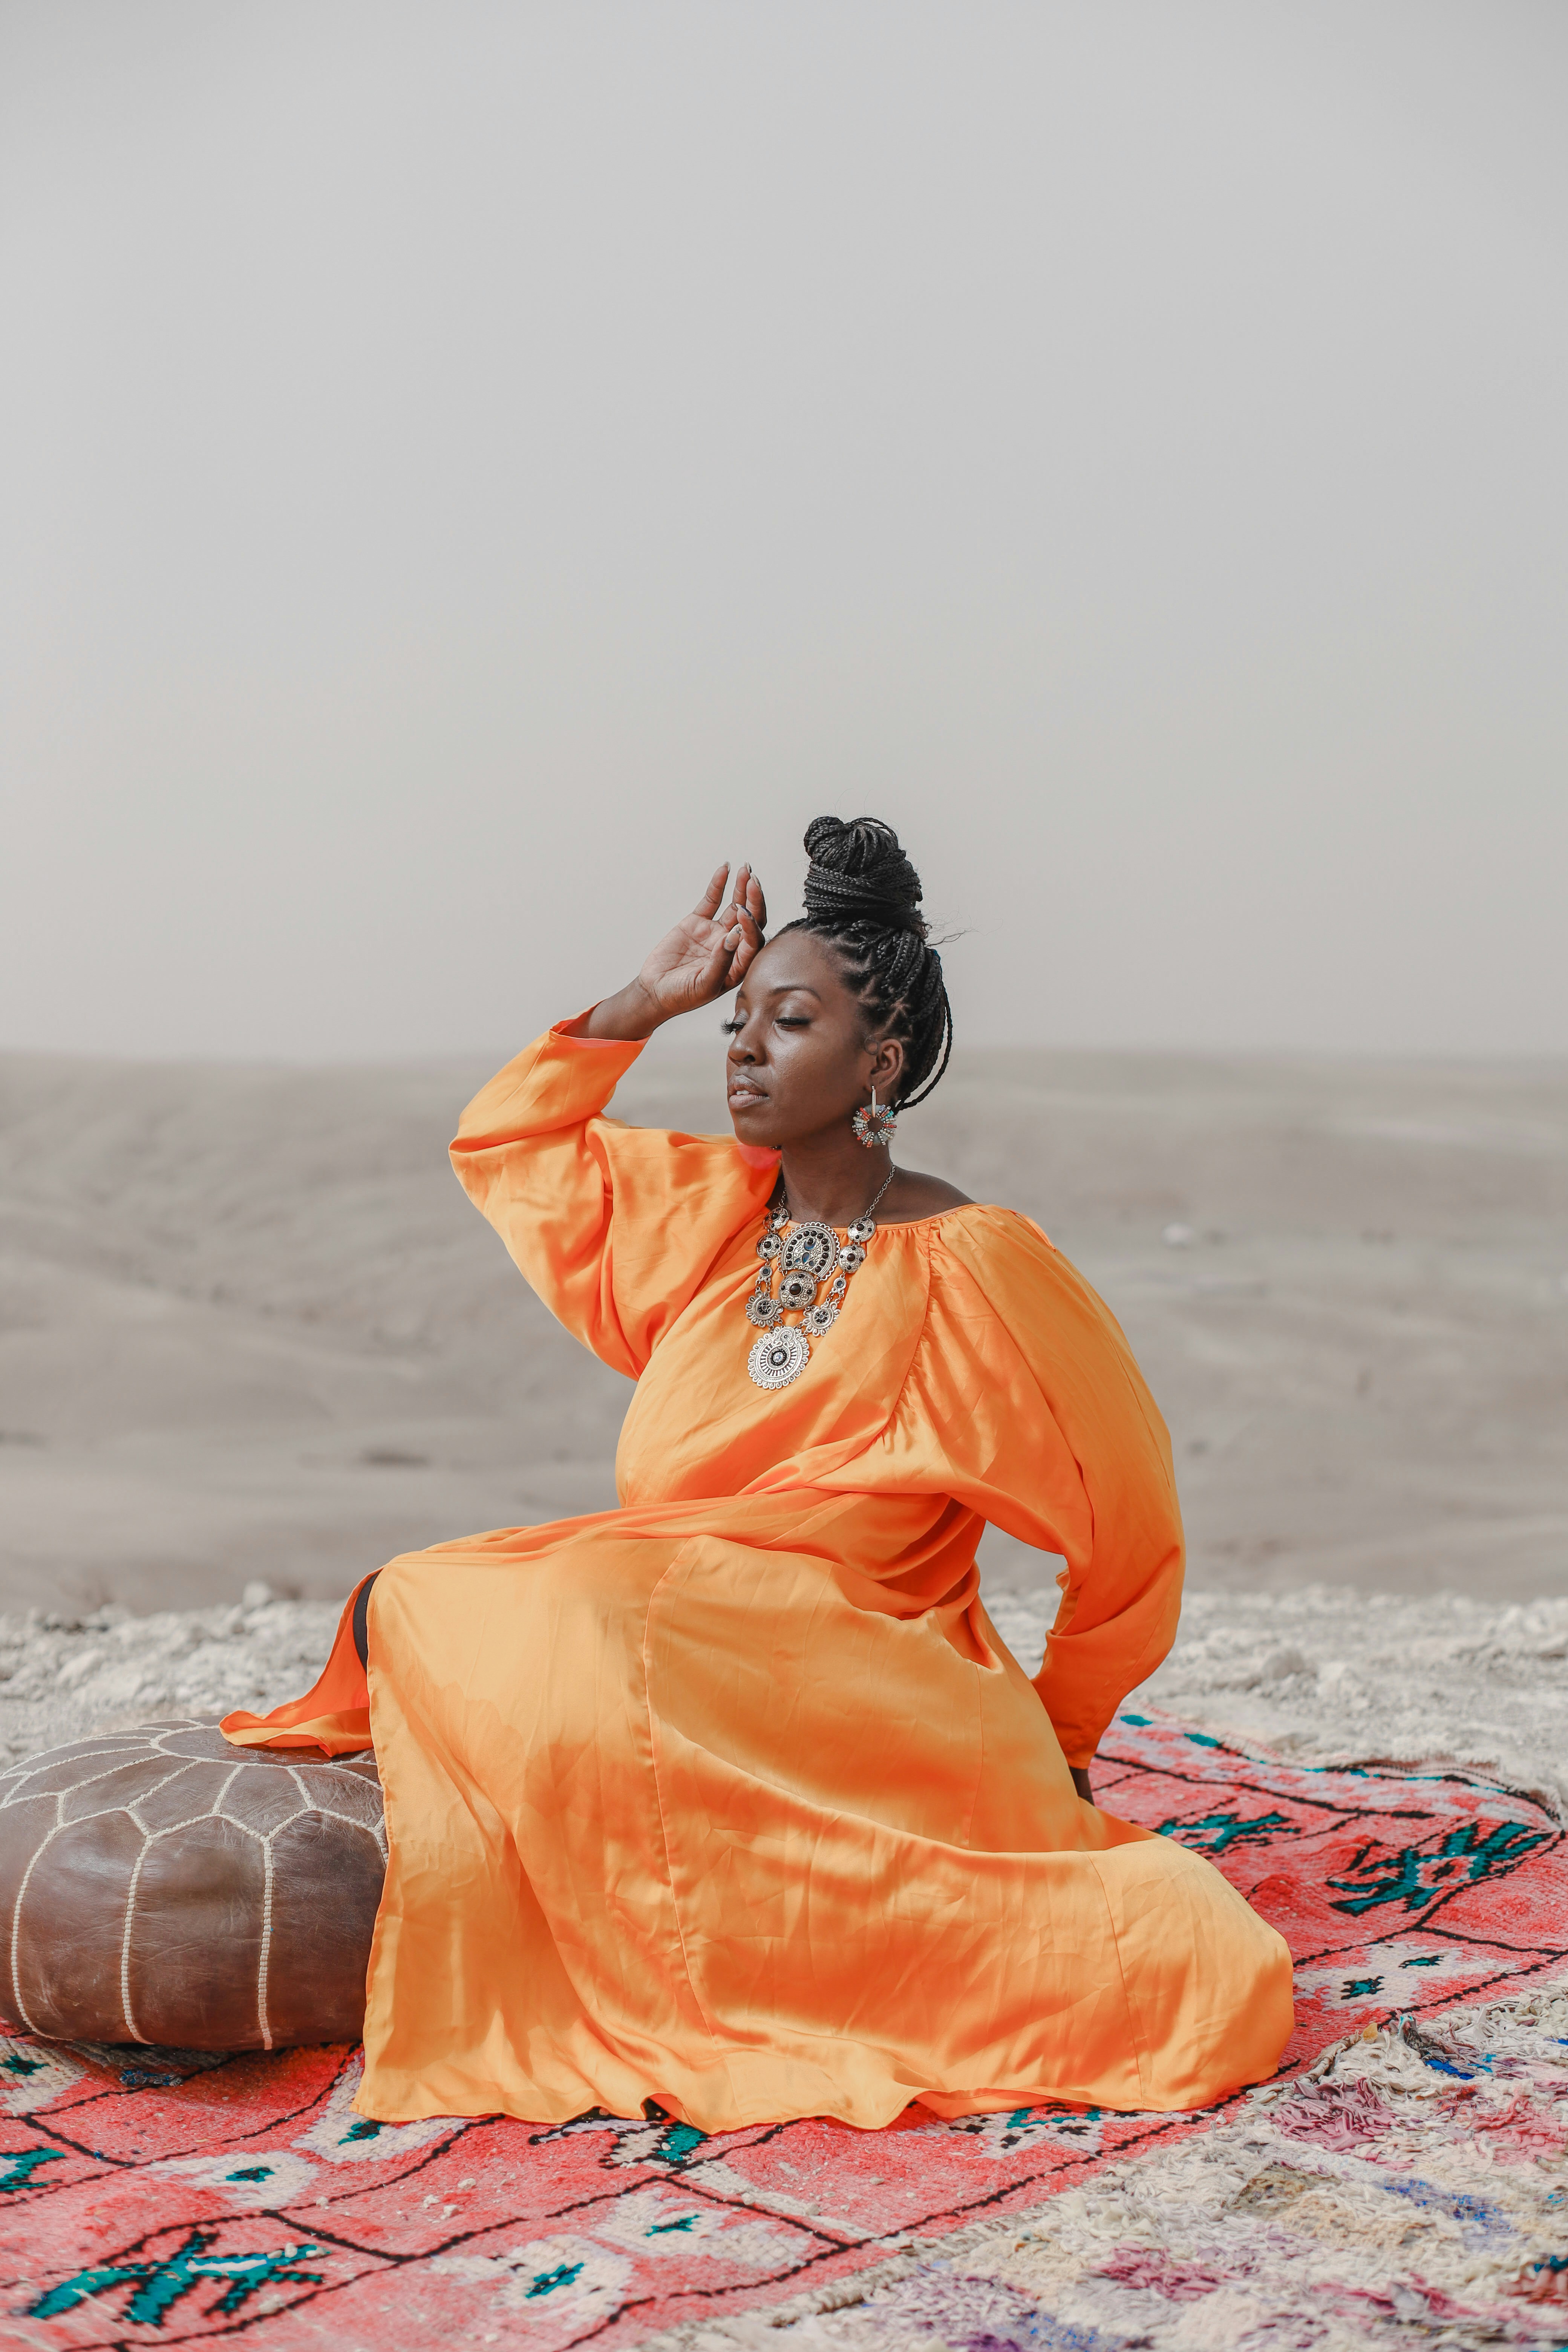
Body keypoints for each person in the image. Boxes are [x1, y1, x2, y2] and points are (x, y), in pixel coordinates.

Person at [224, 815, 1292, 2132]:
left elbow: (1130, 1534)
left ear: (879, 1060)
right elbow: (511, 1146)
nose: (739, 1046)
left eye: (787, 1021)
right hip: (664, 1642)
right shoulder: (711, 1218)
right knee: (440, 1593)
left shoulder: (980, 1263)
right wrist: (641, 1004)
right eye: (735, 1019)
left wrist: (1061, 1740)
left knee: (1189, 1980)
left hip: (867, 1678)